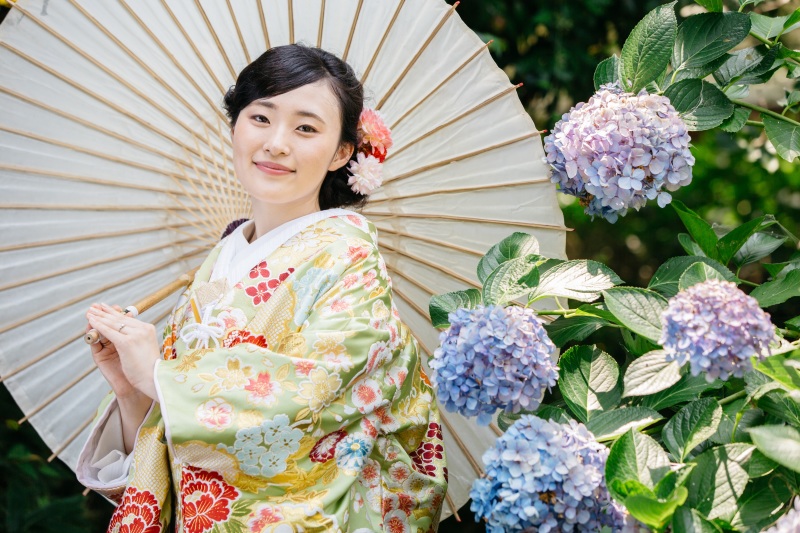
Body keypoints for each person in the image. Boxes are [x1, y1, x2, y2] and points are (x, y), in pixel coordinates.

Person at [78, 44, 448, 533]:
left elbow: (310, 399)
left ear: (341, 152)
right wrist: (134, 393)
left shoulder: (349, 258)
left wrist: (161, 377)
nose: (276, 143)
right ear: (235, 125)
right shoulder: (223, 259)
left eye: (306, 128)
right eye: (260, 118)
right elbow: (174, 444)